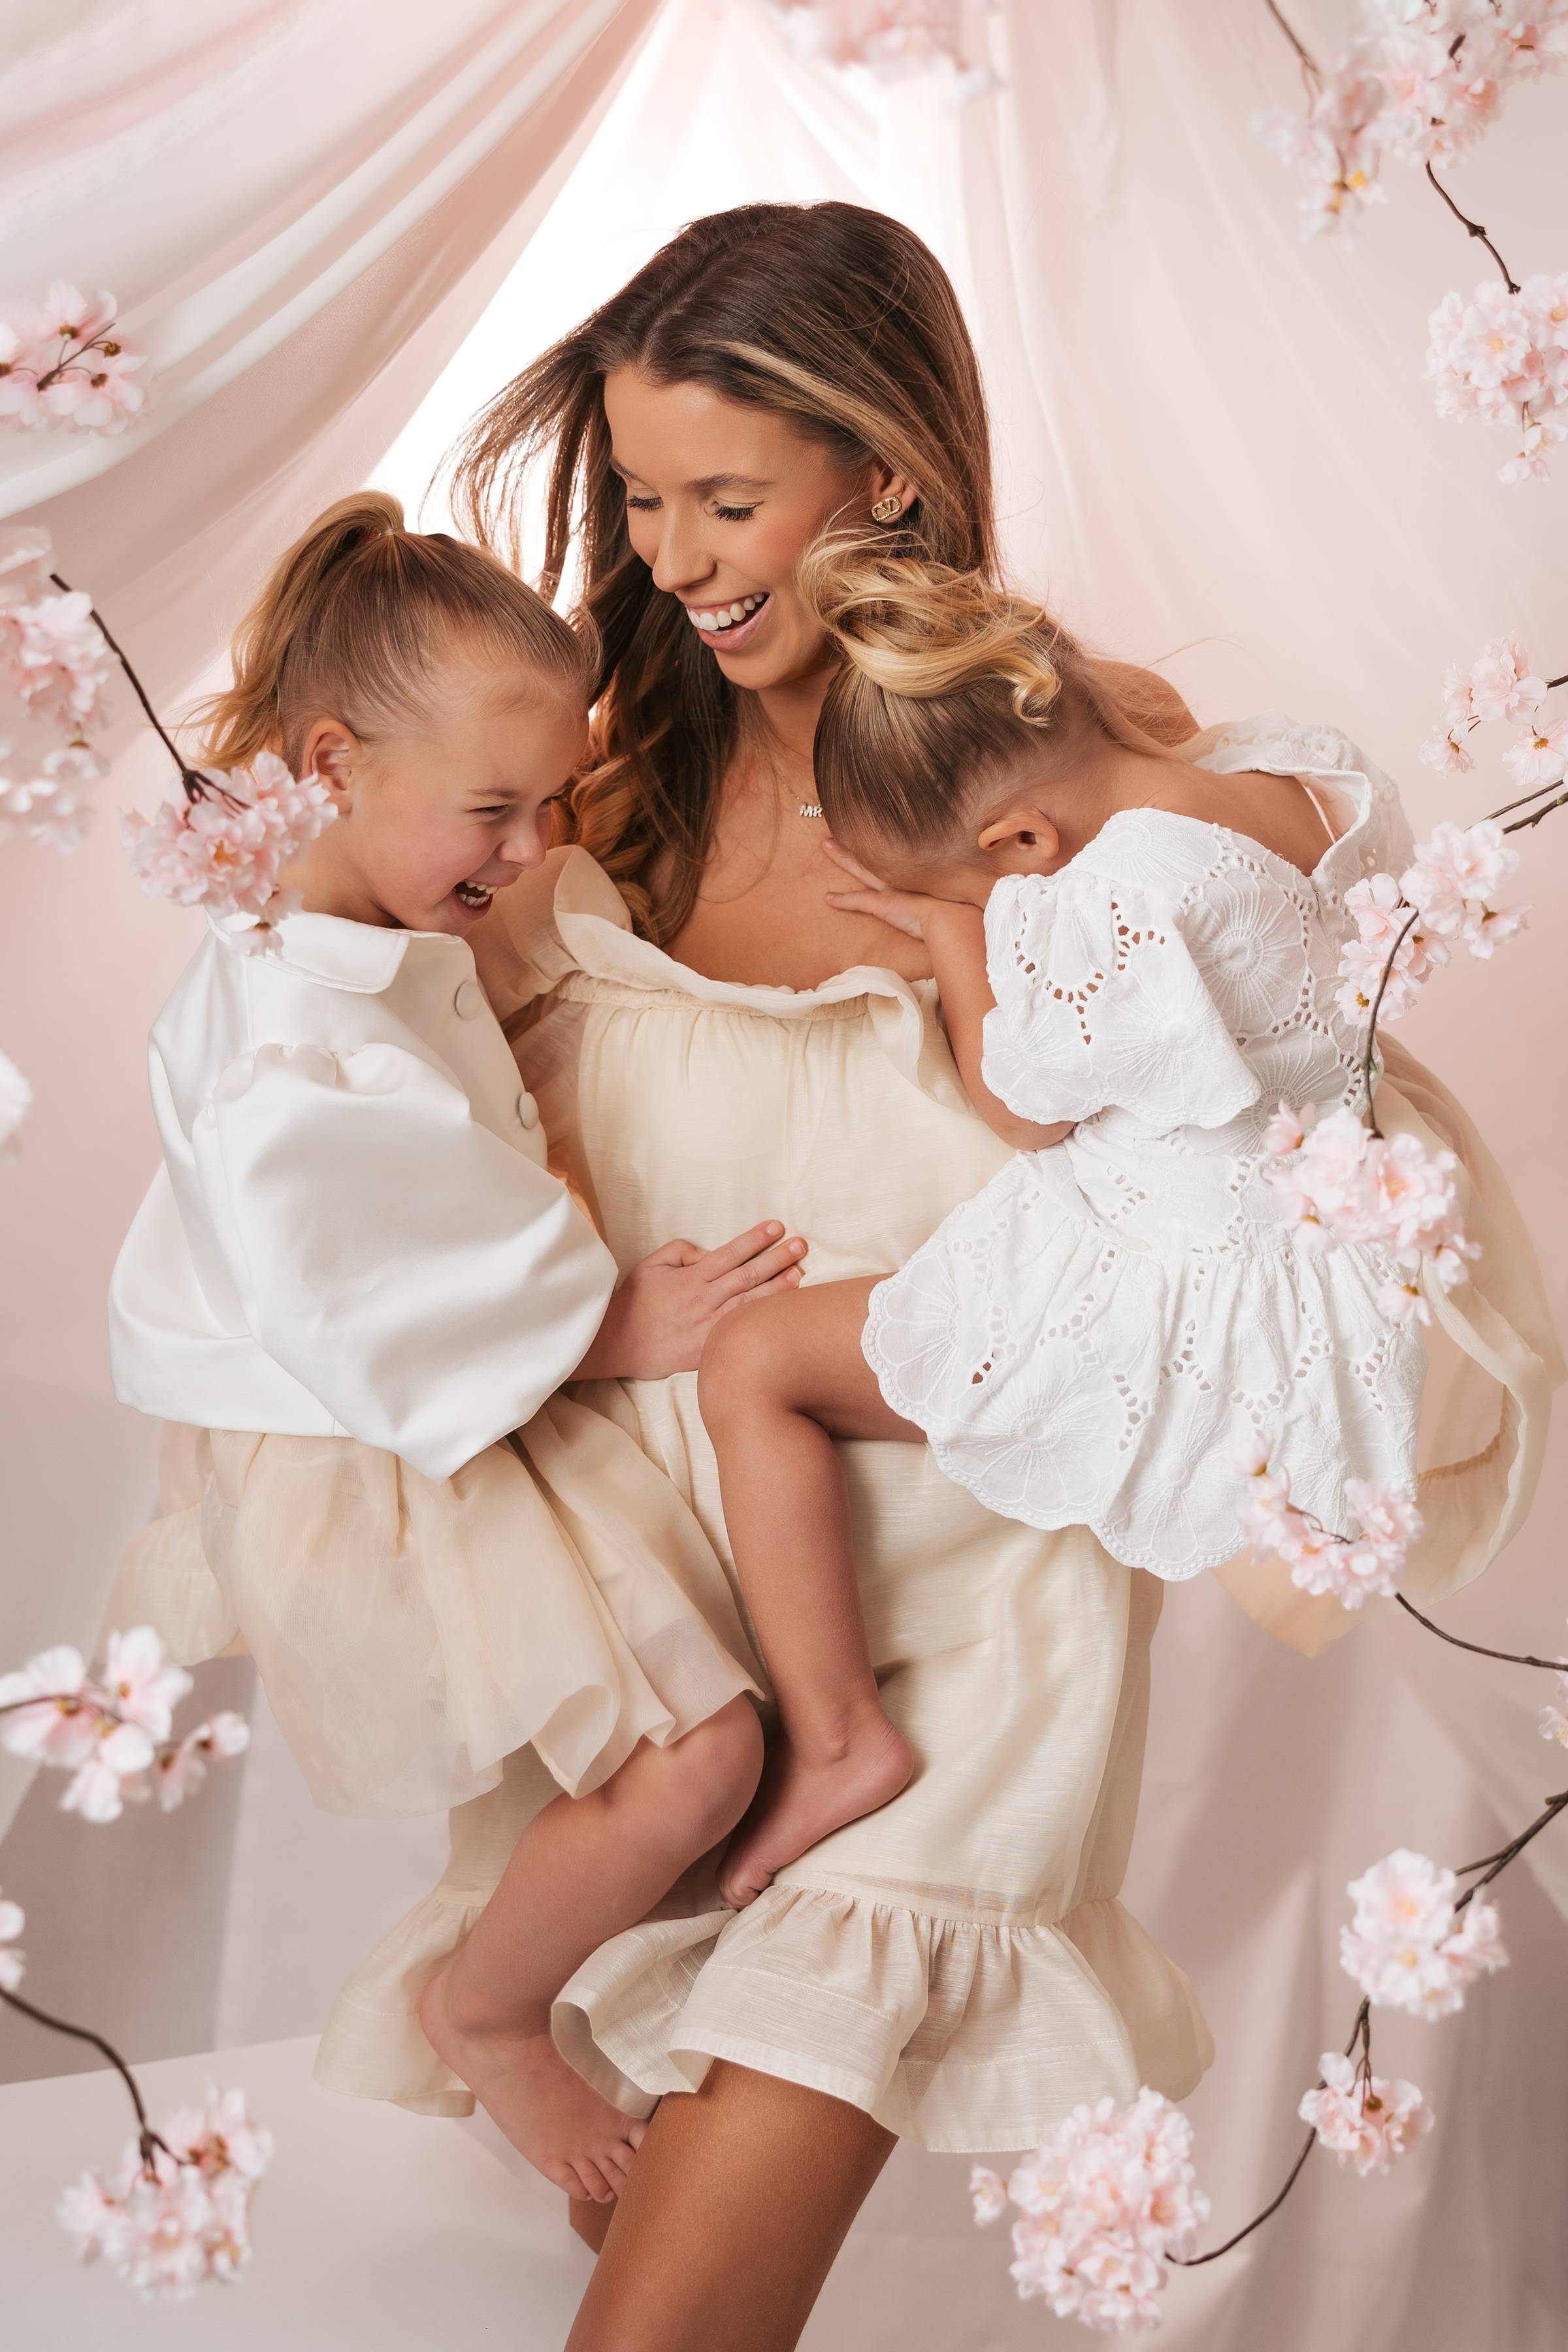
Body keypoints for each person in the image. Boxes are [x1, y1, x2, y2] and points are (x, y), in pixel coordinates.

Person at [316, 204, 1547, 2352]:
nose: (675, 561)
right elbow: (421, 1108)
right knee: (651, 2263)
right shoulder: (596, 786)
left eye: (726, 500)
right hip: (681, 1630)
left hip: (967, 1650)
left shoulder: (1055, 770)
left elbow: (1276, 1095)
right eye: (641, 500)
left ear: (884, 467)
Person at [104, 491, 818, 2204]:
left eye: (550, 800)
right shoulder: (294, 1039)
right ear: (332, 765)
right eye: (492, 811)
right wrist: (607, 1318)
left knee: (697, 1749)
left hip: (434, 1389)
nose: (525, 847)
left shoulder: (344, 912)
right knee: (704, 1755)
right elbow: (360, 1283)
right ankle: (486, 2010)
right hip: (382, 1438)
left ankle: (535, 1988)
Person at [695, 532, 1429, 1907]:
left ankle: (840, 1738)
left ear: (1021, 843)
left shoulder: (1116, 894)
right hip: (1341, 1233)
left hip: (1186, 1282)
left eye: (979, 881)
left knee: (750, 1363)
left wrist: (951, 936)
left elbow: (1024, 1106)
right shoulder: (1289, 775)